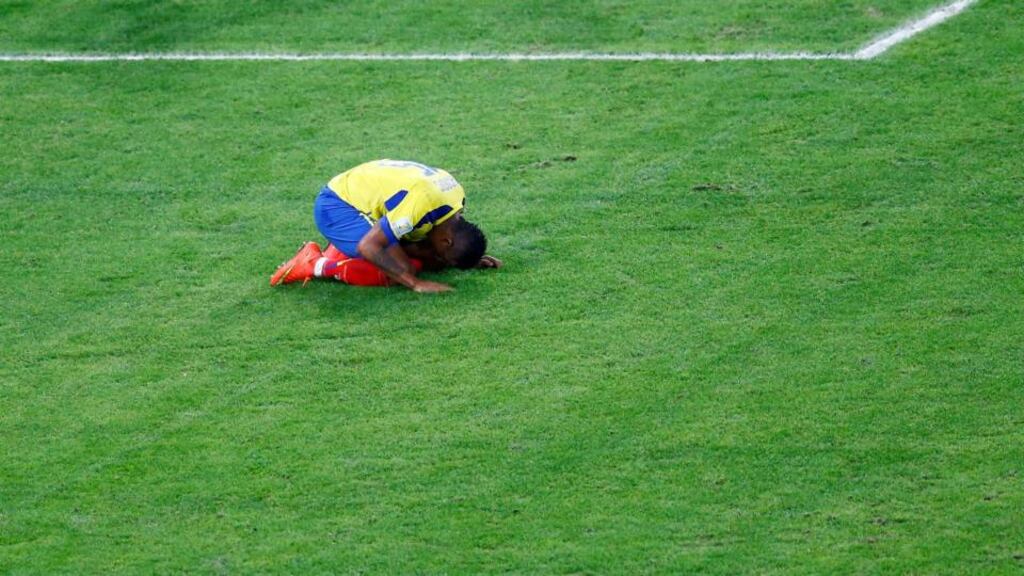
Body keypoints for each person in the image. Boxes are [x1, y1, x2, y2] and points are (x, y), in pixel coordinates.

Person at [270, 159, 501, 293]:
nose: (445, 262)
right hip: (337, 206)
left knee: (426, 260)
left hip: (361, 195)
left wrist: (467, 257)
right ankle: (315, 264)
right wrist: (415, 283)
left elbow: (438, 245)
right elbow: (369, 246)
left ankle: (336, 247)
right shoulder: (419, 209)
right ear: (447, 241)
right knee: (401, 270)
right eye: (447, 256)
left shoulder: (455, 199)